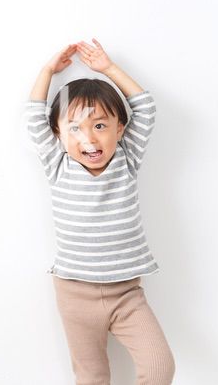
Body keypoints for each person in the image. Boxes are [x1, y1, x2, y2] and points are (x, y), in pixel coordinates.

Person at [26, 39, 175, 385]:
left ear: (119, 129)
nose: (89, 139)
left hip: (127, 294)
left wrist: (108, 68)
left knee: (159, 367)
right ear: (58, 135)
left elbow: (146, 107)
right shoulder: (57, 164)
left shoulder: (127, 158)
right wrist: (48, 71)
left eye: (100, 125)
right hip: (75, 294)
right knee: (92, 377)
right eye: (75, 127)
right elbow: (33, 115)